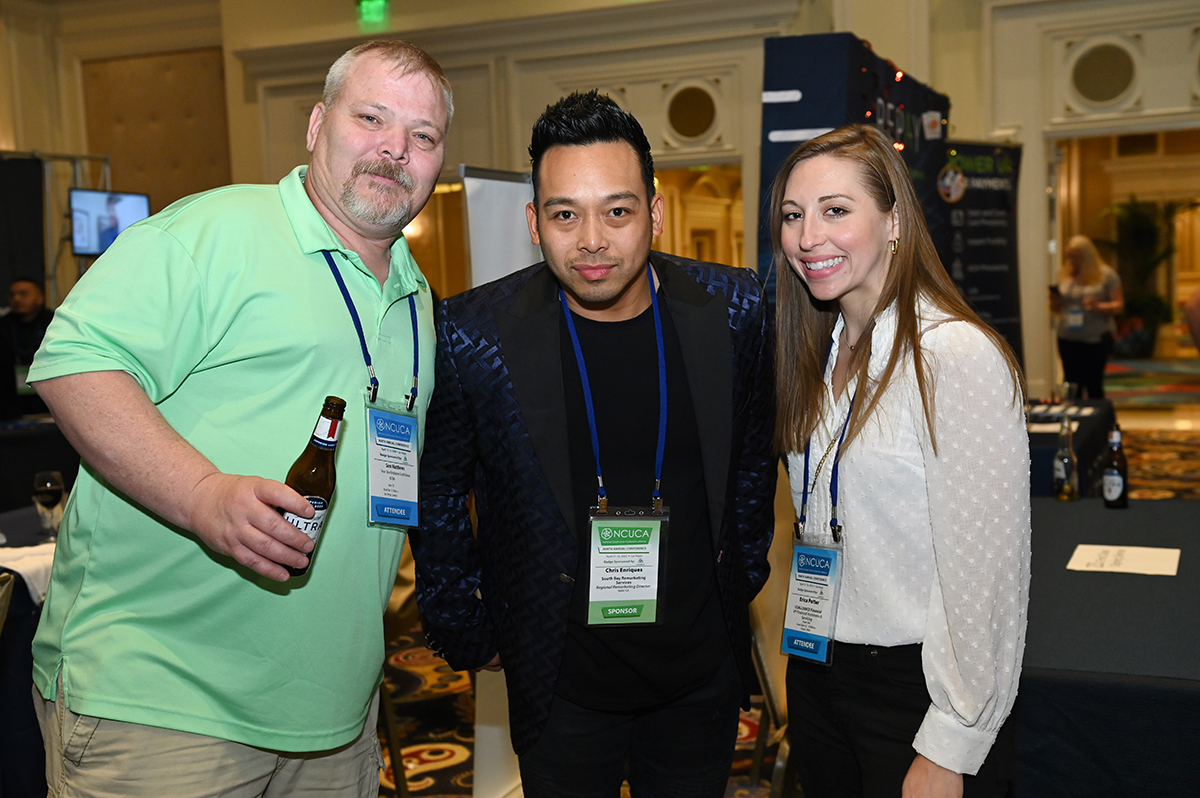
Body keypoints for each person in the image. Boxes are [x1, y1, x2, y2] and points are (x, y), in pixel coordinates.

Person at [27, 39, 451, 797]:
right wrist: (201, 495)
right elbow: (74, 364)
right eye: (372, 118)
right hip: (165, 706)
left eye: (423, 135)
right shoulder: (216, 231)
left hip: (332, 718)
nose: (395, 149)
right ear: (317, 124)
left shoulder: (416, 296)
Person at [408, 90, 774, 797]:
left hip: (699, 676)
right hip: (559, 680)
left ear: (654, 213)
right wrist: (467, 628)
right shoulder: (475, 333)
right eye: (565, 215)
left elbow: (754, 462)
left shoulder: (733, 309)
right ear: (533, 223)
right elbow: (441, 490)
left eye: (617, 211)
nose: (593, 240)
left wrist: (743, 573)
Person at [770, 125, 1030, 798]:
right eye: (793, 216)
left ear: (893, 222)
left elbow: (987, 577)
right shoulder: (816, 353)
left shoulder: (954, 356)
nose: (808, 237)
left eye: (835, 210)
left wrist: (952, 740)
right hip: (819, 669)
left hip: (916, 694)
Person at [1051, 234, 1123, 398]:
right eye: (1069, 256)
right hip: (1067, 337)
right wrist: (1054, 301)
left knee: (1093, 383)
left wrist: (1098, 306)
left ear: (1086, 256)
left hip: (1094, 338)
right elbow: (1056, 308)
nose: (1071, 261)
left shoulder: (1105, 275)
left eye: (1075, 256)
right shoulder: (1064, 274)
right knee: (1072, 382)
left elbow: (1118, 305)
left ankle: (1096, 413)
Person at [2, 276, 54, 414]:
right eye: (12, 295)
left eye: (23, 294)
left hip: (47, 398)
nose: (17, 299)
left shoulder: (54, 324)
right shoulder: (3, 326)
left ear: (40, 298)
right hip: (10, 401)